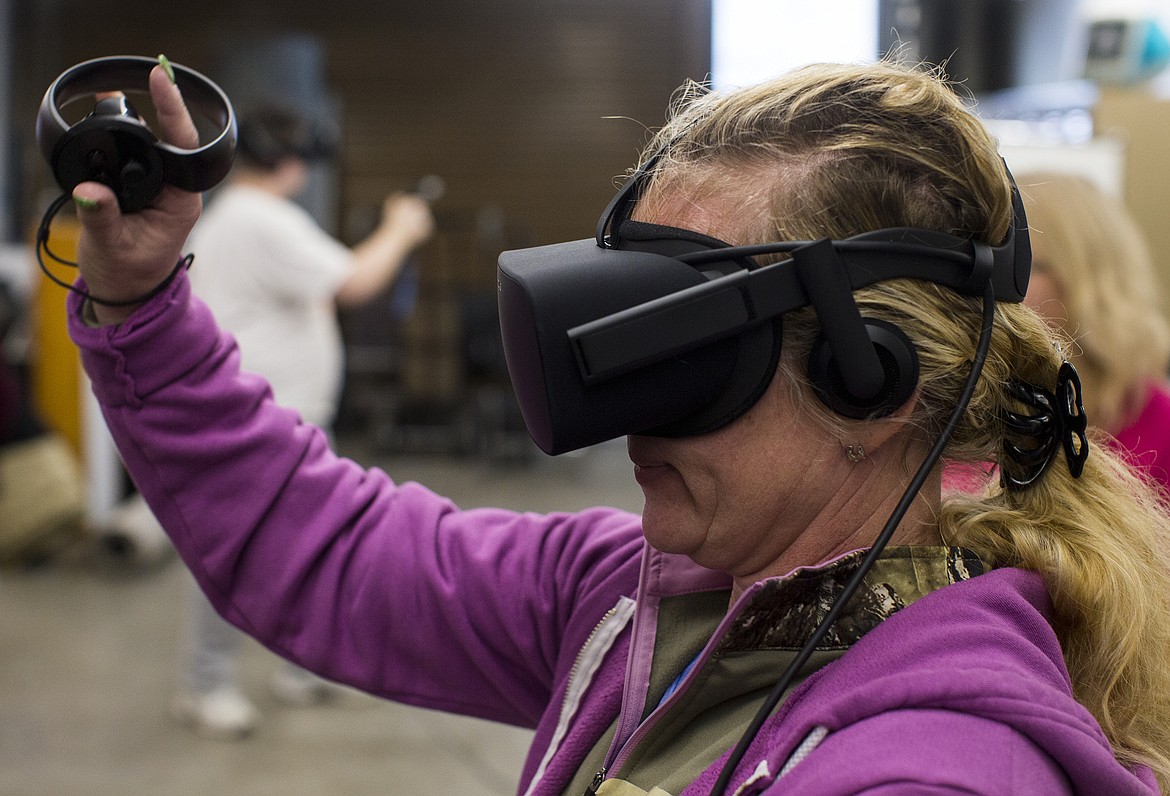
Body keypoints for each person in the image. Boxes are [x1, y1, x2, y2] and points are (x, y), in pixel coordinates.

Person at [62, 57, 1170, 793]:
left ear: (869, 382)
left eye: (687, 348)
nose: (623, 407)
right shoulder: (631, 593)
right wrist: (141, 302)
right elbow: (330, 548)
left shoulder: (929, 771)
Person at [174, 103, 435, 737]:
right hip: (266, 421)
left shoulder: (234, 218)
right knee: (235, 554)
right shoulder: (262, 220)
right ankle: (204, 684)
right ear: (291, 161)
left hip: (282, 418)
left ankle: (303, 668)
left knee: (302, 549)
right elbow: (353, 282)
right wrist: (401, 228)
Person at [1018, 171, 1170, 496]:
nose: (997, 286)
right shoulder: (975, 409)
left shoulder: (1161, 427)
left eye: (1020, 264)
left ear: (1084, 281)